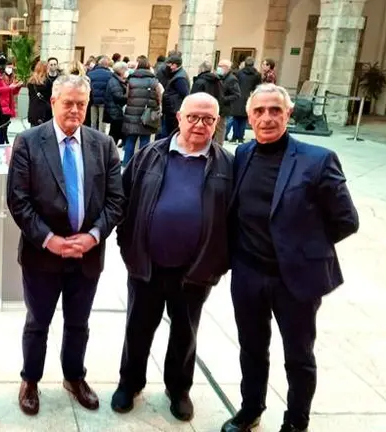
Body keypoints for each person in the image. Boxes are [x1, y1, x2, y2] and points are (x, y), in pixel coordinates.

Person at [221, 84, 359, 432]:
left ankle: (297, 420)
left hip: (294, 281)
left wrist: (301, 249)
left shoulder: (317, 159)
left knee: (298, 356)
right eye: (260, 111)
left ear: (288, 114)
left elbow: (346, 220)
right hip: (249, 275)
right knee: (252, 348)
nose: (267, 118)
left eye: (275, 111)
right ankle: (250, 408)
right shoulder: (243, 154)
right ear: (249, 116)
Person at [7, 74, 124, 416]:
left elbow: (116, 200)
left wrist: (92, 236)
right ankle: (30, 379)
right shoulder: (29, 142)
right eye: (68, 103)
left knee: (78, 323)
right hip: (42, 255)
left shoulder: (103, 145)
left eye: (81, 104)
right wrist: (49, 239)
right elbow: (19, 199)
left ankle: (74, 377)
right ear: (54, 102)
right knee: (37, 322)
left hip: (87, 255)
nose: (75, 110)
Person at [113, 93, 233, 420]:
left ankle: (178, 389)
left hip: (195, 271)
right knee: (138, 327)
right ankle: (130, 382)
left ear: (216, 122)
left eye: (208, 119)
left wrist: (218, 261)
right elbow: (123, 202)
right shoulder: (149, 155)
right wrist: (127, 245)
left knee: (185, 332)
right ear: (178, 117)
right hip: (146, 264)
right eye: (193, 117)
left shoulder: (227, 164)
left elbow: (234, 220)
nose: (200, 124)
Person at [122, 56, 163, 165]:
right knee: (145, 141)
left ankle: (126, 163)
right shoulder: (154, 81)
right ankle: (141, 164)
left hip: (132, 114)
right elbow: (159, 97)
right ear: (148, 66)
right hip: (147, 115)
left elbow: (127, 96)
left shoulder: (131, 79)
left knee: (130, 140)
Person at [229, 57, 261, 143]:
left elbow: (235, 84)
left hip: (238, 96)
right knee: (244, 118)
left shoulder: (239, 73)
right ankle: (240, 137)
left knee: (236, 118)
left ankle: (234, 136)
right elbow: (257, 87)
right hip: (248, 96)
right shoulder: (257, 74)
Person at [159, 54, 189, 139]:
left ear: (174, 65)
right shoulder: (176, 74)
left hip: (173, 111)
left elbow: (185, 94)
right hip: (171, 109)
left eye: (169, 64)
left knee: (168, 134)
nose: (167, 66)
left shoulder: (180, 78)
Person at [0, 63, 23, 145]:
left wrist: (17, 86)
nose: (10, 69)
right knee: (1, 128)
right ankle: (1, 143)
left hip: (7, 106)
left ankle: (3, 142)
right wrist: (9, 87)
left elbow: (12, 92)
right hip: (0, 106)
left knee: (5, 127)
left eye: (12, 68)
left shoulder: (11, 77)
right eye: (9, 67)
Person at [216, 60, 241, 144]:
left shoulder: (232, 79)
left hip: (223, 108)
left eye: (220, 66)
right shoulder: (219, 77)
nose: (218, 68)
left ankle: (219, 147)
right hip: (217, 107)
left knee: (220, 129)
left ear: (227, 68)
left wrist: (223, 99)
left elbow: (236, 94)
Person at [104, 61, 128, 148]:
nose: (126, 71)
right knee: (114, 135)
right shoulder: (115, 81)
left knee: (115, 134)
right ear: (121, 70)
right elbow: (118, 97)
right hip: (115, 111)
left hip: (115, 110)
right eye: (125, 69)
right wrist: (128, 96)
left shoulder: (117, 79)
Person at [86, 56, 112, 132]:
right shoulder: (109, 74)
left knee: (93, 122)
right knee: (102, 122)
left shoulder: (90, 73)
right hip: (103, 101)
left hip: (93, 100)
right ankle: (101, 138)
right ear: (106, 64)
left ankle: (92, 137)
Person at [27, 61, 53, 126]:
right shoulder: (48, 82)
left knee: (34, 133)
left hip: (33, 112)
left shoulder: (31, 82)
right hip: (45, 112)